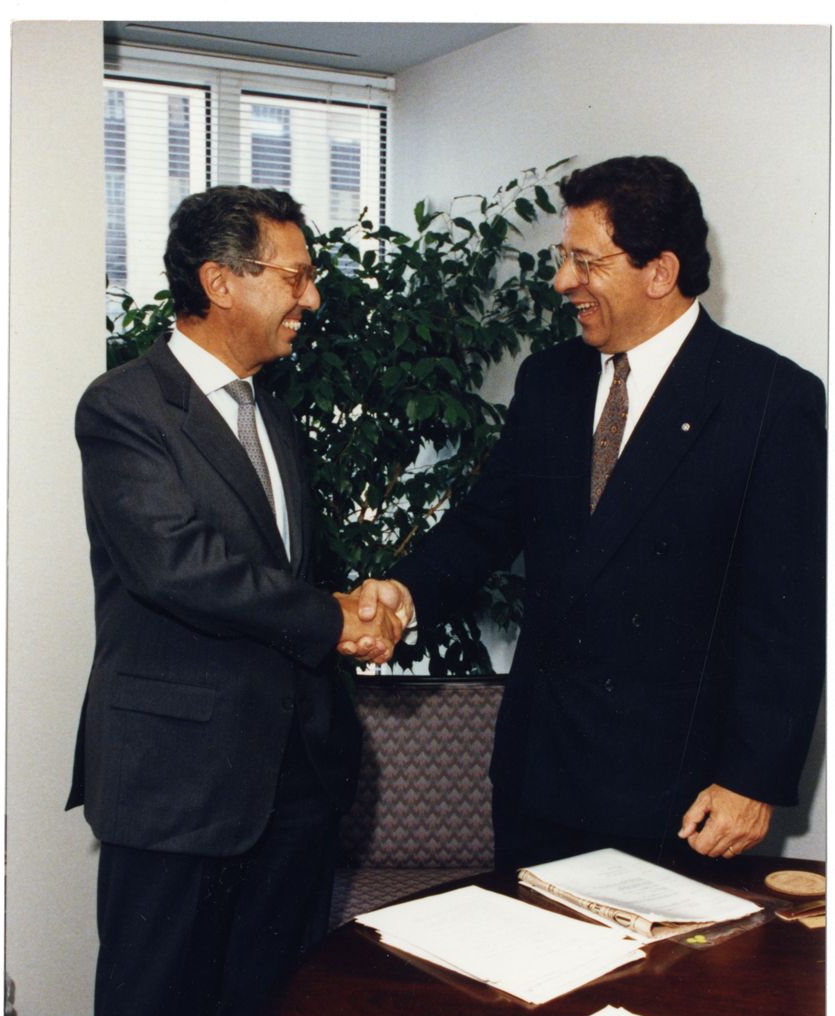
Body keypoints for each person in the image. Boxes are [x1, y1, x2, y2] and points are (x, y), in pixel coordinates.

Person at [345, 156, 825, 873]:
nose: (560, 281)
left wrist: (750, 779)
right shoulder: (549, 380)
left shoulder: (767, 399)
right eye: (560, 258)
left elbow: (784, 613)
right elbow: (484, 524)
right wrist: (403, 595)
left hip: (679, 791)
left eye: (582, 261)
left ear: (658, 272)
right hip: (539, 772)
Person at [67, 185, 401, 1016]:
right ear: (220, 281)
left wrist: (360, 606)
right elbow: (180, 564)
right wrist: (332, 614)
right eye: (293, 277)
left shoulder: (276, 417)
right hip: (175, 786)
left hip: (290, 780)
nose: (310, 298)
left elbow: (292, 576)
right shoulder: (125, 406)